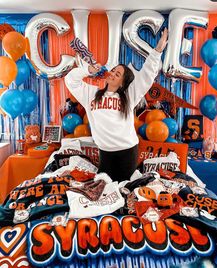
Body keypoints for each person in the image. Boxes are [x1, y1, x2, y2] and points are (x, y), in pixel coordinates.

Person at [65, 28, 168, 182]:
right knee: (104, 189)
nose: (112, 73)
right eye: (113, 71)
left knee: (125, 191)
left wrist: (158, 50)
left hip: (127, 151)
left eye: (117, 74)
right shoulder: (91, 94)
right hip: (105, 152)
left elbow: (147, 75)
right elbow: (70, 80)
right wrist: (88, 70)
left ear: (122, 83)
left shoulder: (128, 96)